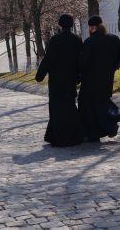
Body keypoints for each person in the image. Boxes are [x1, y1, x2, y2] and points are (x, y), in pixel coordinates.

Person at [35, 14, 83, 147]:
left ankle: (58, 138)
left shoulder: (55, 40)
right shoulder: (77, 40)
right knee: (70, 107)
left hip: (56, 81)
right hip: (70, 80)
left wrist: (40, 75)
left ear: (60, 25)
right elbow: (81, 60)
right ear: (72, 24)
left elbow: (48, 59)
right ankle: (74, 136)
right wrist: (79, 77)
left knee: (56, 109)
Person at [79, 15, 120, 143]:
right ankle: (111, 123)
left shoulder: (89, 42)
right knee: (103, 103)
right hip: (107, 79)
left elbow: (84, 62)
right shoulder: (113, 38)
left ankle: (100, 130)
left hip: (90, 81)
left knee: (89, 107)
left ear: (91, 27)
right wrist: (114, 64)